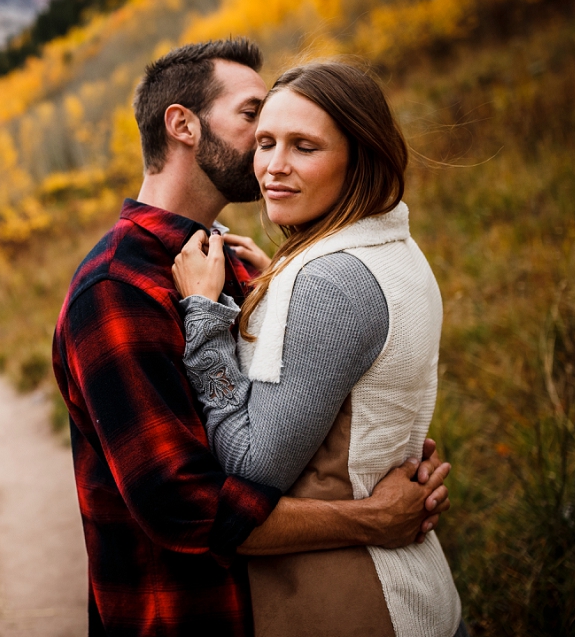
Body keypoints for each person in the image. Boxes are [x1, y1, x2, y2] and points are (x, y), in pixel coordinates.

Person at [51, 39, 454, 637]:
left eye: (295, 138)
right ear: (183, 125)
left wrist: (380, 448)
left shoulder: (233, 262)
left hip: (284, 608)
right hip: (188, 616)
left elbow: (299, 415)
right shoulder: (118, 287)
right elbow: (183, 506)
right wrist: (367, 518)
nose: (269, 135)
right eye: (253, 119)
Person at [171, 61, 465, 637]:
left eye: (304, 147)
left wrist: (205, 322)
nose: (272, 167)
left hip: (349, 603)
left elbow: (250, 466)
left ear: (361, 158)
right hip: (414, 593)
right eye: (265, 142)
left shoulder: (329, 283)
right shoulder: (396, 249)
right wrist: (277, 283)